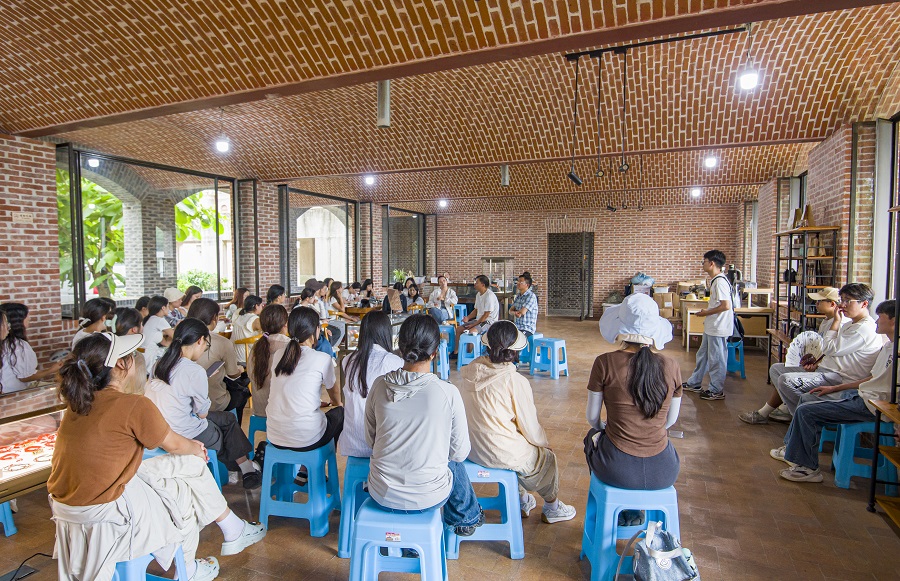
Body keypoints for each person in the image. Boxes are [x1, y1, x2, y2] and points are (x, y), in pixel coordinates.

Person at [48, 333, 265, 581]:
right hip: (108, 509)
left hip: (68, 510)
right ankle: (197, 560)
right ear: (121, 364)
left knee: (187, 468)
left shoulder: (75, 405)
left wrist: (190, 449)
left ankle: (227, 534)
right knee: (184, 493)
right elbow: (173, 444)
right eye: (131, 356)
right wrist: (195, 448)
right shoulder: (131, 404)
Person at [365, 314, 484, 536]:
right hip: (429, 496)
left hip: (382, 492)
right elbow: (459, 453)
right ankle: (465, 518)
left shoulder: (379, 386)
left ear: (399, 347)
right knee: (449, 460)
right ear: (435, 352)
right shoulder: (447, 392)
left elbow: (371, 439)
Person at [460, 321, 576, 523]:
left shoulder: (469, 371)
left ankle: (523, 499)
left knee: (517, 442)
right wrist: (543, 443)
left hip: (472, 448)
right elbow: (529, 426)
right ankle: (552, 507)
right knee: (545, 458)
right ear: (515, 352)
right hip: (497, 451)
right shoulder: (515, 381)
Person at [772, 300, 896, 483]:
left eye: (881, 317)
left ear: (894, 320)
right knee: (806, 399)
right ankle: (793, 448)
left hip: (871, 406)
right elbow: (872, 379)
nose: (877, 321)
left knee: (806, 410)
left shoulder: (874, 336)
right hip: (860, 396)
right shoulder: (888, 347)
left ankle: (808, 468)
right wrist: (834, 388)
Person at [145, 318, 261, 489]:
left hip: (160, 429)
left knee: (227, 419)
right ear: (200, 340)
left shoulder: (159, 364)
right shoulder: (194, 370)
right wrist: (202, 384)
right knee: (225, 431)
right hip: (185, 432)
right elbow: (203, 414)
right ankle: (246, 467)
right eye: (206, 344)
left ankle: (247, 468)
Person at [584, 293, 682, 491]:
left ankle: (621, 509)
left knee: (590, 437)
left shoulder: (605, 362)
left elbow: (592, 417)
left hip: (616, 468)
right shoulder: (671, 366)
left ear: (620, 326)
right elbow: (670, 421)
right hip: (663, 470)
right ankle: (638, 511)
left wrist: (605, 427)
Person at [765, 283, 882, 417]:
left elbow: (829, 348)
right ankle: (800, 413)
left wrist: (837, 322)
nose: (842, 304)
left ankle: (803, 414)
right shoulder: (851, 324)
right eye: (842, 300)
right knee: (776, 370)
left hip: (839, 377)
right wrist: (816, 364)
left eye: (847, 301)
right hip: (827, 371)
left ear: (864, 304)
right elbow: (829, 351)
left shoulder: (863, 329)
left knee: (786, 380)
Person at [739, 287, 846, 425]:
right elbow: (822, 350)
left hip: (830, 372)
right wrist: (813, 360)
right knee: (776, 369)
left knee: (786, 379)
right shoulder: (826, 321)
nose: (816, 304)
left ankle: (779, 413)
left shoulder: (841, 324)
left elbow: (833, 352)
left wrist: (817, 365)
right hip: (820, 366)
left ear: (832, 304)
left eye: (819, 301)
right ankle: (787, 408)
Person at [266, 307, 343, 488]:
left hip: (275, 436)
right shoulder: (322, 358)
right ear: (315, 331)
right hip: (306, 439)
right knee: (340, 414)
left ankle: (304, 469)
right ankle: (311, 468)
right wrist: (337, 404)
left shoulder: (278, 355)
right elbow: (335, 393)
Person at [341, 311, 403, 458]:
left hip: (352, 443)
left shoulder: (347, 360)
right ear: (386, 333)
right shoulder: (393, 362)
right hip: (381, 447)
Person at [682, 250, 733, 401]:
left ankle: (716, 390)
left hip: (718, 327)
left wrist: (706, 313)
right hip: (712, 327)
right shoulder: (715, 280)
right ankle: (694, 383)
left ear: (711, 263)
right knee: (703, 355)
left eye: (704, 261)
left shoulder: (720, 282)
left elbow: (726, 305)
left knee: (716, 359)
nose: (702, 264)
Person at [187, 299, 248, 425]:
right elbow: (233, 374)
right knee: (242, 393)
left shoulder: (178, 340)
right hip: (213, 402)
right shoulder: (220, 342)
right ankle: (235, 432)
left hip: (183, 404)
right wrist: (240, 370)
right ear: (214, 318)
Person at [0, 303, 61, 394]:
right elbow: (25, 377)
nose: (29, 318)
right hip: (15, 394)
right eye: (27, 315)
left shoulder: (7, 344)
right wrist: (51, 370)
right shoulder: (18, 345)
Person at [247, 304, 290, 418]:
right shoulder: (289, 346)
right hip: (283, 414)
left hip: (259, 411)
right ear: (285, 324)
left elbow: (250, 374)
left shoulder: (257, 346)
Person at [453, 274, 499, 355]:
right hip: (479, 320)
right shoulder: (478, 294)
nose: (474, 284)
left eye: (476, 282)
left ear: (483, 285)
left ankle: (469, 355)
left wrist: (473, 325)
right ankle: (456, 352)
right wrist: (468, 317)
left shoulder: (489, 296)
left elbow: (486, 315)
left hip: (488, 322)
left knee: (471, 332)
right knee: (459, 329)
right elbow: (476, 310)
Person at [113, 307, 148, 394]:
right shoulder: (135, 359)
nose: (143, 327)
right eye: (141, 324)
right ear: (134, 329)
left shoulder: (104, 352)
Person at [308, 278, 344, 347]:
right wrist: (324, 326)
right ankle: (331, 348)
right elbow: (318, 317)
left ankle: (331, 348)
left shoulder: (320, 300)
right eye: (324, 289)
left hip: (323, 322)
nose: (327, 290)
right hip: (318, 324)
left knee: (340, 326)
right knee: (339, 328)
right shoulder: (313, 301)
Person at [142, 295, 174, 373]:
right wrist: (178, 327)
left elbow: (166, 343)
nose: (169, 309)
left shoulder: (152, 319)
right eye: (167, 306)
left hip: (144, 354)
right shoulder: (159, 320)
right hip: (149, 356)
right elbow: (176, 336)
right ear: (163, 308)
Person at [231, 295, 263, 365]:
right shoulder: (255, 319)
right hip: (246, 357)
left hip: (234, 355)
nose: (262, 307)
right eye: (261, 305)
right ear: (256, 306)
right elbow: (268, 332)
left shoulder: (240, 316)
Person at [509, 271, 538, 336]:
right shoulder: (518, 296)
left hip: (527, 328)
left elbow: (522, 312)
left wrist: (516, 312)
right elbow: (510, 311)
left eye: (520, 282)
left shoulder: (531, 296)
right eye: (518, 282)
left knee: (513, 340)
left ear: (527, 285)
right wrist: (515, 313)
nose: (518, 283)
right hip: (517, 327)